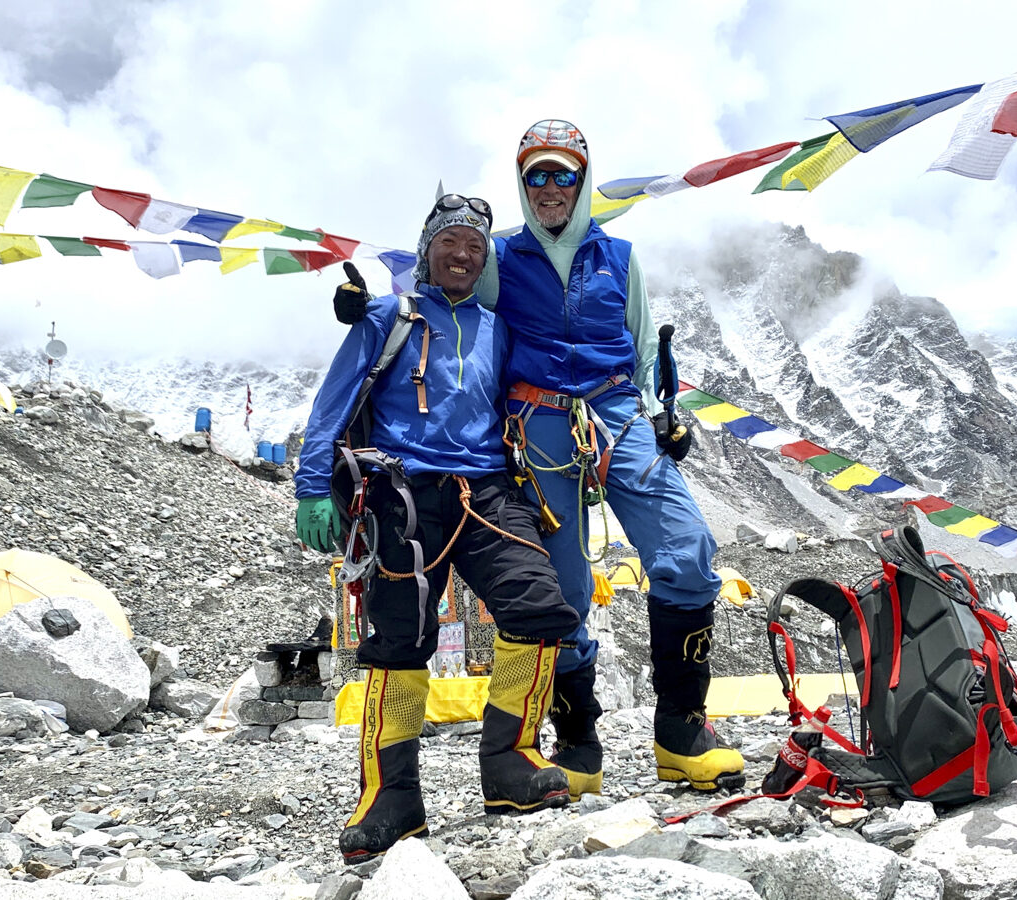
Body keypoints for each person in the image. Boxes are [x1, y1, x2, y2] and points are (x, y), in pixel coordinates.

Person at [334, 120, 745, 802]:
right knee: (566, 589)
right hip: (534, 424)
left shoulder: (620, 256)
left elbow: (642, 346)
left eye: (563, 174)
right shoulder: (496, 256)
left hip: (616, 413)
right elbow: (446, 297)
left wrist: (662, 416)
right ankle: (577, 741)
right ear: (522, 183)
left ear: (582, 180)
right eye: (536, 174)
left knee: (688, 549)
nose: (550, 187)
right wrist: (367, 307)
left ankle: (681, 732)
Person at [295, 195, 581, 864]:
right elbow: (332, 403)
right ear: (426, 251)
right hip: (403, 496)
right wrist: (312, 487)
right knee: (399, 642)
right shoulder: (384, 318)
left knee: (540, 608)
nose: (463, 253)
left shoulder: (497, 327)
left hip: (487, 492)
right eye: (451, 241)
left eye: (475, 247)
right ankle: (391, 800)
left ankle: (511, 762)